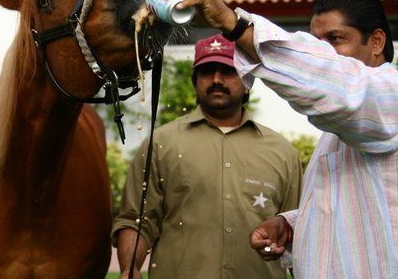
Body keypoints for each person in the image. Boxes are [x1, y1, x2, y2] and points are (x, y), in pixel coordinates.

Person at [153, 0, 398, 278]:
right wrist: (291, 226)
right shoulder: (343, 129)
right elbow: (351, 211)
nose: (322, 53)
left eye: (335, 39)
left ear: (376, 42)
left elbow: (331, 80)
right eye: (315, 42)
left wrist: (232, 22)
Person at [112, 34, 302, 278]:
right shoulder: (161, 143)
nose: (216, 80)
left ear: (247, 83)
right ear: (195, 82)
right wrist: (130, 268)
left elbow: (298, 230)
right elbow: (136, 221)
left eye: (228, 71)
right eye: (207, 72)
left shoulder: (282, 152)